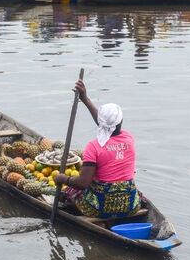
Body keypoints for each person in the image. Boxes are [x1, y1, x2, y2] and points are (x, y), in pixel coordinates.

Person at [53, 79, 141, 219]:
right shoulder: (129, 139)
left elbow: (83, 183)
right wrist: (85, 99)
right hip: (131, 206)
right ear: (121, 122)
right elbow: (105, 125)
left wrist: (64, 178)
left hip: (99, 209)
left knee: (71, 190)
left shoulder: (94, 147)